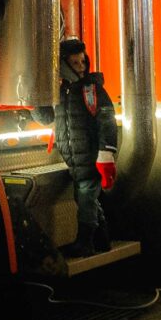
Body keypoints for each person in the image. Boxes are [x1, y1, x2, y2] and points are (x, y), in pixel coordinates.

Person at [45, 36, 118, 253]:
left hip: (90, 156)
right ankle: (103, 238)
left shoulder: (91, 90)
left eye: (82, 62)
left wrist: (106, 153)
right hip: (75, 158)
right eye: (75, 63)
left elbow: (106, 120)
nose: (81, 67)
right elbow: (46, 116)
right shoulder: (61, 91)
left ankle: (84, 242)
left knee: (86, 197)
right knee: (85, 197)